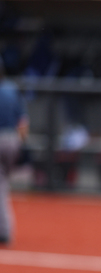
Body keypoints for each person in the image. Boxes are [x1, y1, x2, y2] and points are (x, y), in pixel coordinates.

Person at [0, 57, 28, 245]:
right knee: (3, 185)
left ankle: (4, 231)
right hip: (13, 140)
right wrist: (21, 145)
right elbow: (23, 125)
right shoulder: (12, 89)